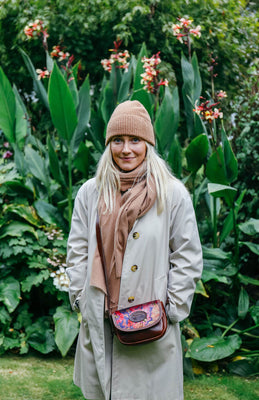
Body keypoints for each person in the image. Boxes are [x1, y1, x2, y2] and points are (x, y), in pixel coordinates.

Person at [66, 100, 203, 400]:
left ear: (148, 144)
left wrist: (173, 308)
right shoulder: (91, 192)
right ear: (108, 145)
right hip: (102, 319)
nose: (126, 149)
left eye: (135, 140)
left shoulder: (172, 193)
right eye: (118, 140)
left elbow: (187, 256)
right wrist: (79, 297)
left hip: (151, 325)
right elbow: (77, 250)